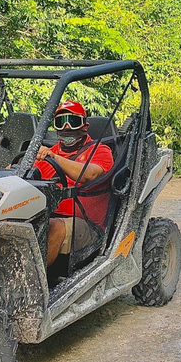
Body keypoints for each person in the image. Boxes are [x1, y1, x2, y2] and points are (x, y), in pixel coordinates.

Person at [33, 101, 114, 266]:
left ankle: (33, 285)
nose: (66, 127)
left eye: (73, 121)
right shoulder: (47, 153)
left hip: (88, 225)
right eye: (61, 122)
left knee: (53, 227)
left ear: (85, 126)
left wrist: (55, 158)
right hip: (46, 215)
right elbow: (27, 175)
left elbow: (88, 174)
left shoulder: (100, 150)